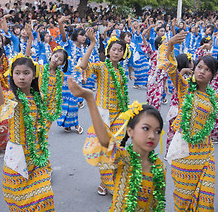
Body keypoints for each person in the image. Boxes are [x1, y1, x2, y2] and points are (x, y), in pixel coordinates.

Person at [68, 77, 166, 211]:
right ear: (130, 131)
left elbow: (158, 204)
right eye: (145, 128)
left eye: (157, 131)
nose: (151, 135)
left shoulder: (160, 167)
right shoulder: (124, 159)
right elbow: (105, 141)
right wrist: (90, 99)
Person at [0, 49, 55, 211]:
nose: (21, 77)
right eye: (17, 73)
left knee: (45, 195)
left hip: (37, 156)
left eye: (26, 73)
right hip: (17, 157)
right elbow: (0, 105)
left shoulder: (40, 97)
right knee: (18, 200)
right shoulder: (11, 98)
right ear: (12, 75)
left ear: (34, 75)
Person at [162, 31, 218, 211]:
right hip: (184, 153)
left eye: (208, 69)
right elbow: (171, 68)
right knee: (183, 199)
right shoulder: (185, 87)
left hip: (205, 153)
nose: (202, 71)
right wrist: (170, 44)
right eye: (200, 67)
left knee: (206, 197)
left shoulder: (213, 97)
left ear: (213, 75)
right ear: (194, 68)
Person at [79, 35, 130, 195]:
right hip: (104, 115)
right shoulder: (101, 66)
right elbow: (83, 65)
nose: (116, 52)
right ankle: (104, 181)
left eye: (120, 50)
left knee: (117, 148)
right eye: (114, 49)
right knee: (105, 149)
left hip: (120, 115)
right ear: (108, 51)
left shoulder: (121, 72)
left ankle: (108, 180)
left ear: (123, 53)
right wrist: (93, 42)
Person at [165, 53, 194, 154]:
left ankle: (171, 152)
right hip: (178, 109)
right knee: (177, 131)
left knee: (173, 131)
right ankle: (172, 152)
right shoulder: (181, 76)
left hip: (175, 108)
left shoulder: (190, 76)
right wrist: (182, 72)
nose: (192, 63)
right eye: (191, 61)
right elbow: (176, 83)